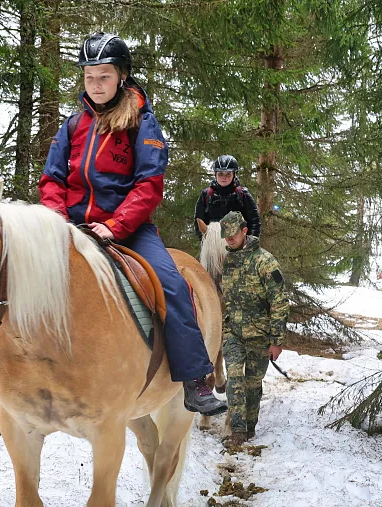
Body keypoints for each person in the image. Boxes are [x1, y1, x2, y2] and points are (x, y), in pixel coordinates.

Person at [39, 31, 226, 416]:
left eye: (103, 76)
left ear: (121, 76)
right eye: (89, 77)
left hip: (129, 228)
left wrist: (116, 225)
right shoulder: (73, 125)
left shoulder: (142, 123)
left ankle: (195, 378)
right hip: (71, 225)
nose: (96, 84)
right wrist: (58, 223)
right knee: (17, 272)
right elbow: (52, 180)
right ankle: (1, 371)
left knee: (171, 284)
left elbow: (148, 185)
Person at [217, 211, 289, 445]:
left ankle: (249, 426)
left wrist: (276, 341)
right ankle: (237, 431)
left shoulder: (265, 262)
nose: (229, 240)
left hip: (260, 335)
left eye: (233, 235)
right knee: (235, 380)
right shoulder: (227, 262)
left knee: (252, 384)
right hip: (234, 333)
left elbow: (279, 301)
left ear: (245, 231)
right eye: (226, 236)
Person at [193, 155, 262, 241]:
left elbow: (254, 221)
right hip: (213, 242)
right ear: (215, 174)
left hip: (238, 243)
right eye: (220, 174)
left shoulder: (243, 194)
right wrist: (205, 239)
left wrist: (251, 242)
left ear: (234, 175)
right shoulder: (206, 194)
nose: (224, 178)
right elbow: (198, 221)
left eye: (228, 174)